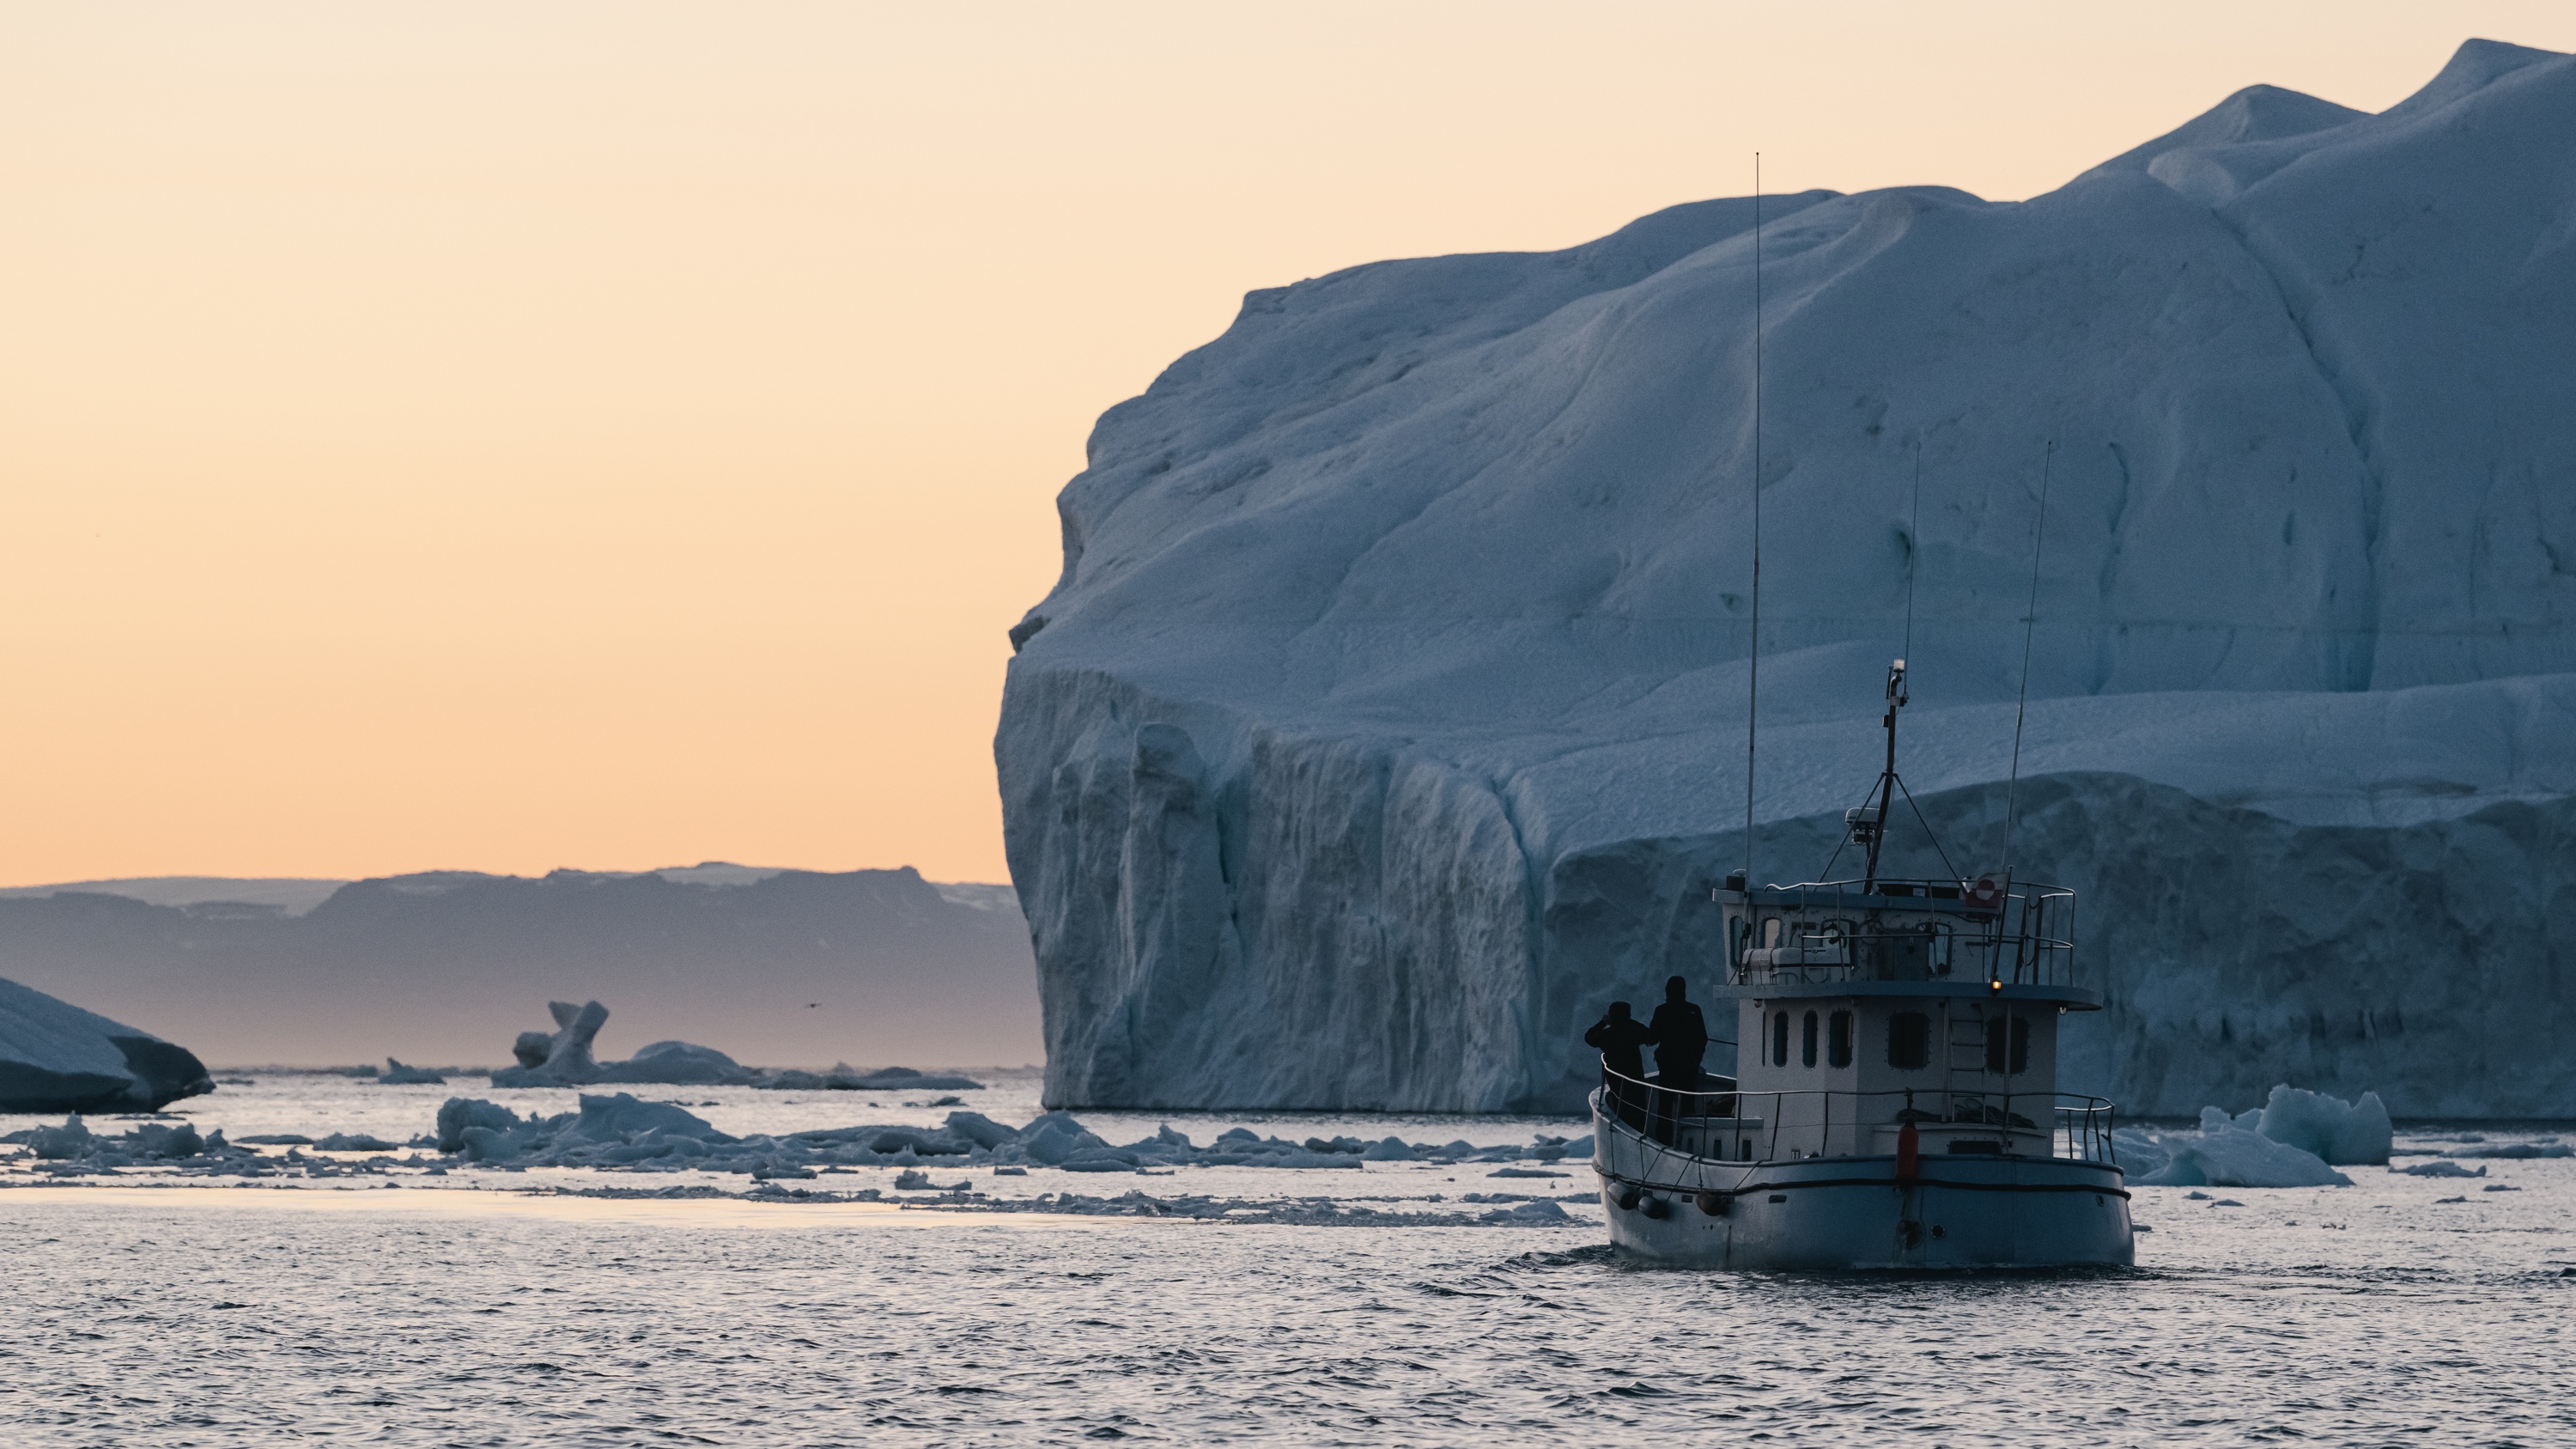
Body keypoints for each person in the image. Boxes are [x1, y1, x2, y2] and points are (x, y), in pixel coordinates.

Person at [1647, 976, 1709, 1141]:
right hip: (1688, 1065)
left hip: (1667, 1065)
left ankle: (1664, 1140)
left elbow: (1652, 1038)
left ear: (1667, 991)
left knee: (1665, 1105)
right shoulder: (1694, 1010)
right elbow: (1702, 1038)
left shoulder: (1662, 1010)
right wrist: (1696, 1060)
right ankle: (1689, 1140)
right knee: (1688, 1103)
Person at [1583, 1002, 1655, 1129]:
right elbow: (1649, 1035)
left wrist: (1603, 1023)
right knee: (1638, 1110)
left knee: (1621, 1110)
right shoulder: (1634, 1032)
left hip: (1616, 1080)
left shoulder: (1607, 1035)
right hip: (1635, 1077)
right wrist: (1629, 1021)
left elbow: (1589, 1037)